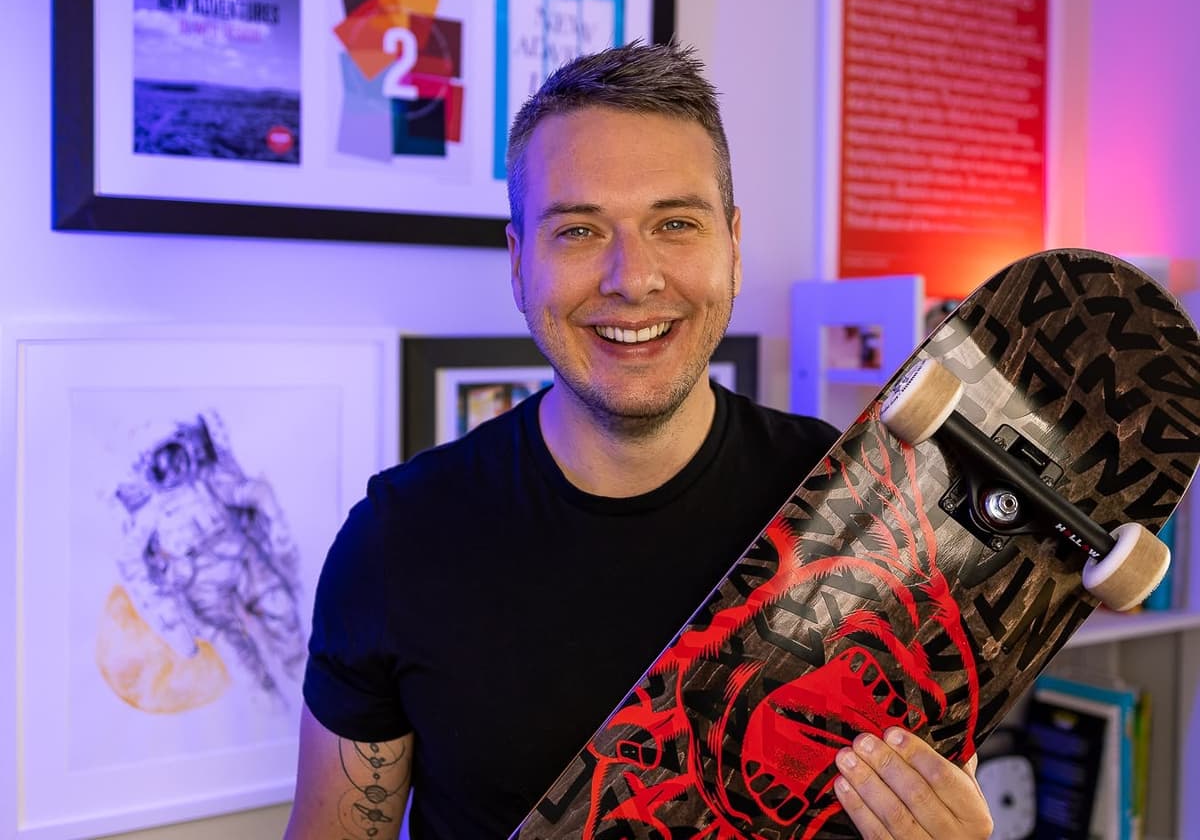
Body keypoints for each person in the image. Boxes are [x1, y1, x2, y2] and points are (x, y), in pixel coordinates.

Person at [283, 42, 994, 839]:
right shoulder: (397, 541)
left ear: (731, 244)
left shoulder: (850, 501)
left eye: (675, 223)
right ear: (519, 264)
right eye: (580, 231)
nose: (633, 277)